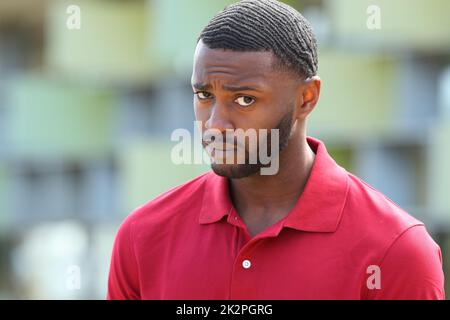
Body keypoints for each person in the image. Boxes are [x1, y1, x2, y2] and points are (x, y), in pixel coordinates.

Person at [108, 0, 445, 299]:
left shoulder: (396, 251)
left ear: (306, 98)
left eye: (245, 99)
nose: (216, 124)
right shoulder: (143, 238)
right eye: (204, 95)